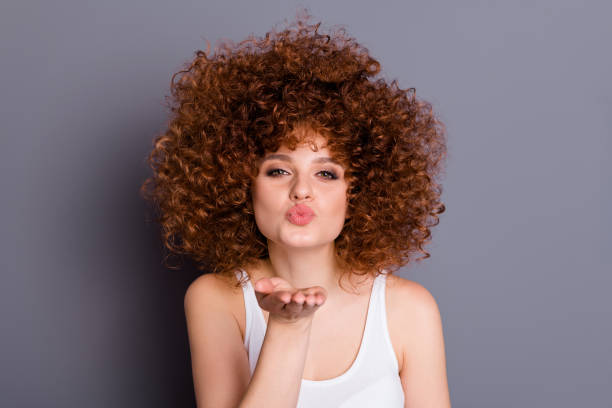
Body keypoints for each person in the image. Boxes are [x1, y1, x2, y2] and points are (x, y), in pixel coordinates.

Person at [141, 11, 450, 408]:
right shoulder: (216, 300)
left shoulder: (409, 309)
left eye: (325, 173)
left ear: (356, 194)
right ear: (241, 183)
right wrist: (288, 327)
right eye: (279, 170)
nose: (301, 190)